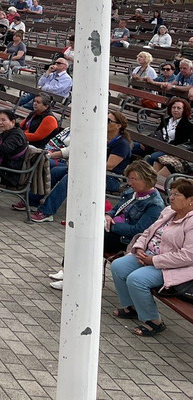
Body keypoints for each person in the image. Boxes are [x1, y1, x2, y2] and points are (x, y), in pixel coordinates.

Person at [48, 161, 164, 290]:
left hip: (125, 239)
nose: (130, 183)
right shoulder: (132, 192)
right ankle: (66, 271)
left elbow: (138, 230)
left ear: (146, 178)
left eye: (134, 179)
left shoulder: (154, 205)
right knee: (79, 232)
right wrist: (108, 216)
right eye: (129, 179)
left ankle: (73, 280)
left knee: (88, 239)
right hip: (113, 229)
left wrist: (110, 226)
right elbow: (116, 208)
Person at [110, 178, 193, 337]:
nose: (172, 198)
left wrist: (154, 261)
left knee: (137, 279)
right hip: (148, 255)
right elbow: (148, 232)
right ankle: (132, 306)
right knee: (118, 266)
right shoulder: (169, 211)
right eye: (171, 193)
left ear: (191, 199)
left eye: (177, 194)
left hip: (172, 266)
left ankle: (154, 321)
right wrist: (139, 247)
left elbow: (188, 256)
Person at [29, 110, 133, 222]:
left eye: (108, 120)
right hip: (92, 171)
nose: (104, 122)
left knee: (71, 178)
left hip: (110, 177)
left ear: (118, 125)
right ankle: (32, 201)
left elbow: (109, 166)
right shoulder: (100, 137)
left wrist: (82, 165)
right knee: (54, 171)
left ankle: (46, 212)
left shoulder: (121, 144)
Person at [148, 97, 193, 178]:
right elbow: (156, 132)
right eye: (174, 107)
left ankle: (145, 182)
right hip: (157, 144)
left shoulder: (187, 125)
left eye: (178, 108)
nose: (175, 110)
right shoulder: (166, 120)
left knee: (153, 158)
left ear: (184, 110)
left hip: (172, 151)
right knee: (133, 146)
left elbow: (184, 143)